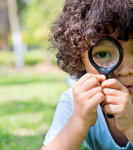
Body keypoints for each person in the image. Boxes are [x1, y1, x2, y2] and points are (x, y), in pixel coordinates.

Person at [41, 0, 133, 149]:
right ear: (79, 58)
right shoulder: (76, 101)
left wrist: (131, 126)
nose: (127, 69)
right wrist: (79, 121)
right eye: (103, 53)